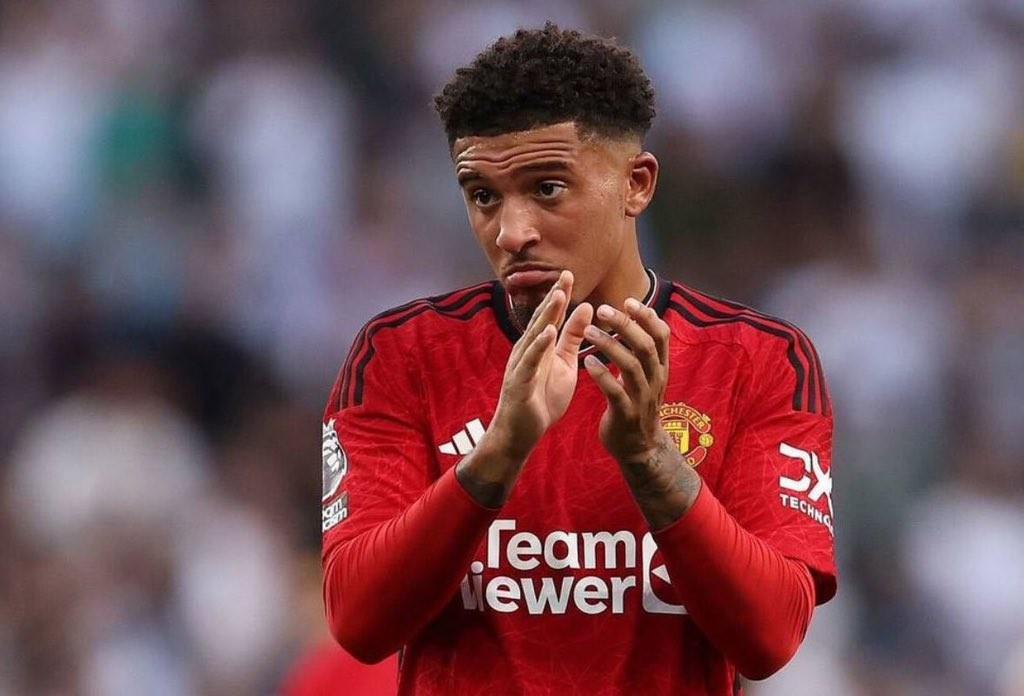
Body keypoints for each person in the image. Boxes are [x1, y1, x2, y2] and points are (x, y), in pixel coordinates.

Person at [321, 24, 836, 695]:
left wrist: (650, 461)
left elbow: (771, 637)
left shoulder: (758, 360)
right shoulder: (402, 355)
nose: (512, 233)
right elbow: (359, 621)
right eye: (482, 195)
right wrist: (500, 453)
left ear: (636, 185)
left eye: (547, 188)